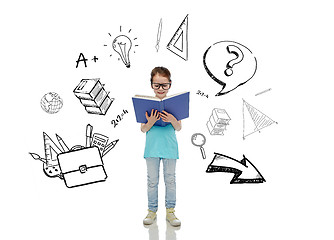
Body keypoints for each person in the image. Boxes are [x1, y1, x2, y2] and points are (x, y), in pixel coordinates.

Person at [141, 66, 181, 227]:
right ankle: (152, 211)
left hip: (170, 148)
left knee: (170, 180)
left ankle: (170, 212)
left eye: (164, 85)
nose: (161, 89)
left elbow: (178, 127)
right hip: (151, 149)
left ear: (170, 84)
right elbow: (143, 129)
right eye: (157, 85)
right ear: (151, 85)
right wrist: (150, 122)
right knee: (152, 181)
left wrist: (172, 119)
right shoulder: (146, 104)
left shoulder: (175, 104)